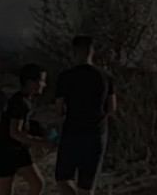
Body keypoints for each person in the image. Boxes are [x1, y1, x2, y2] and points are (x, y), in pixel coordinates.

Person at [54, 36, 115, 195]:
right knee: (86, 187)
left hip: (72, 133)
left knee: (63, 179)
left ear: (74, 51)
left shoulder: (66, 76)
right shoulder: (106, 77)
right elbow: (112, 108)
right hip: (96, 134)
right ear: (92, 51)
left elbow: (59, 109)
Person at [0, 63, 53, 195]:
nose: (44, 85)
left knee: (37, 184)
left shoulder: (24, 100)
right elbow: (15, 132)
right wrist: (41, 142)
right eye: (41, 81)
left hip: (17, 151)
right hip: (5, 152)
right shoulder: (20, 102)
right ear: (30, 82)